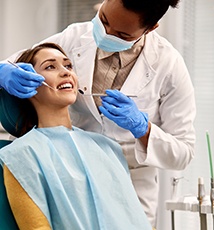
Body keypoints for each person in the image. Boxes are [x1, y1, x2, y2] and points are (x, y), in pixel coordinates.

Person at [0, 0, 196, 226]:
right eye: (103, 20)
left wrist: (143, 129)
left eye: (122, 34)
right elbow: (17, 64)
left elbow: (184, 151)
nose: (105, 34)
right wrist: (3, 72)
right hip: (67, 171)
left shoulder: (169, 65)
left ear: (150, 29)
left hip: (129, 180)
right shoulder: (24, 155)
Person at [0, 43, 152, 230]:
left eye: (68, 65)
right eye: (50, 67)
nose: (66, 72)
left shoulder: (108, 148)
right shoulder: (20, 155)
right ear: (27, 85)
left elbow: (135, 217)